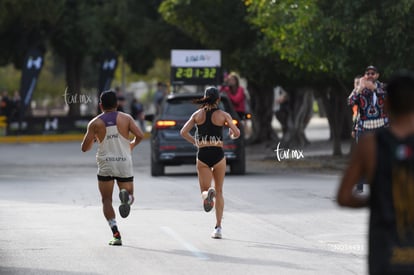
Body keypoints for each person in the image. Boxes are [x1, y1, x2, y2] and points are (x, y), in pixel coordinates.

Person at [337, 70, 414, 275]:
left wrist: (377, 200)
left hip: (384, 249)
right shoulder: (362, 91)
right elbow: (350, 101)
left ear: (386, 105)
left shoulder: (370, 145)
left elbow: (344, 196)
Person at [81, 90, 144, 246]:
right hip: (124, 162)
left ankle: (116, 235)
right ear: (117, 104)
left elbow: (85, 148)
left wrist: (94, 139)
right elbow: (140, 135)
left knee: (106, 200)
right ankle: (126, 197)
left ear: (100, 105)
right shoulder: (126, 118)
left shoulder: (94, 123)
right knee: (131, 195)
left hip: (106, 164)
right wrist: (131, 145)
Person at [180, 87, 240, 239]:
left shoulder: (197, 115)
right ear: (218, 99)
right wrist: (231, 134)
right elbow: (236, 133)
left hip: (203, 154)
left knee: (204, 190)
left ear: (205, 98)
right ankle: (218, 227)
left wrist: (195, 142)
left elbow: (183, 132)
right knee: (219, 191)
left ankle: (208, 195)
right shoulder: (223, 115)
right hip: (218, 154)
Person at [348, 66, 389, 192]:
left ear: (377, 75)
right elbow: (350, 102)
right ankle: (359, 186)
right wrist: (359, 88)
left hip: (381, 127)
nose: (370, 75)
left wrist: (375, 89)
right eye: (368, 73)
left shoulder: (383, 87)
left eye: (373, 73)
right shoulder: (360, 89)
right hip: (364, 128)